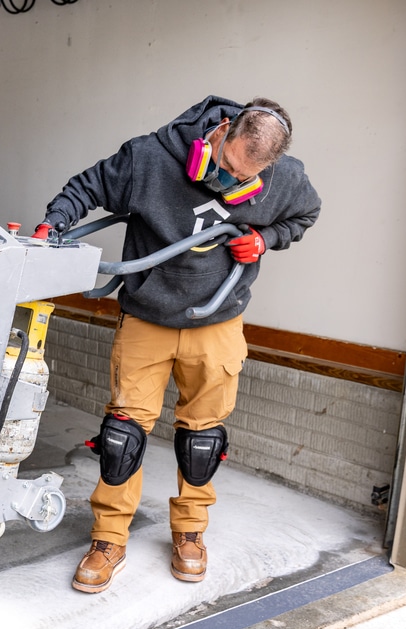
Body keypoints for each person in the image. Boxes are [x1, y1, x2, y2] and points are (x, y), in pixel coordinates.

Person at [31, 95, 320, 593]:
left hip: (217, 320)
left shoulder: (285, 178)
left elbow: (305, 215)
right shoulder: (150, 158)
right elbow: (86, 187)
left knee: (203, 438)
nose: (228, 181)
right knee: (122, 436)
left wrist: (265, 240)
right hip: (148, 315)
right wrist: (51, 226)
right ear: (223, 131)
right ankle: (107, 539)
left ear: (269, 168)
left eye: (242, 178)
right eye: (226, 167)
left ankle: (189, 533)